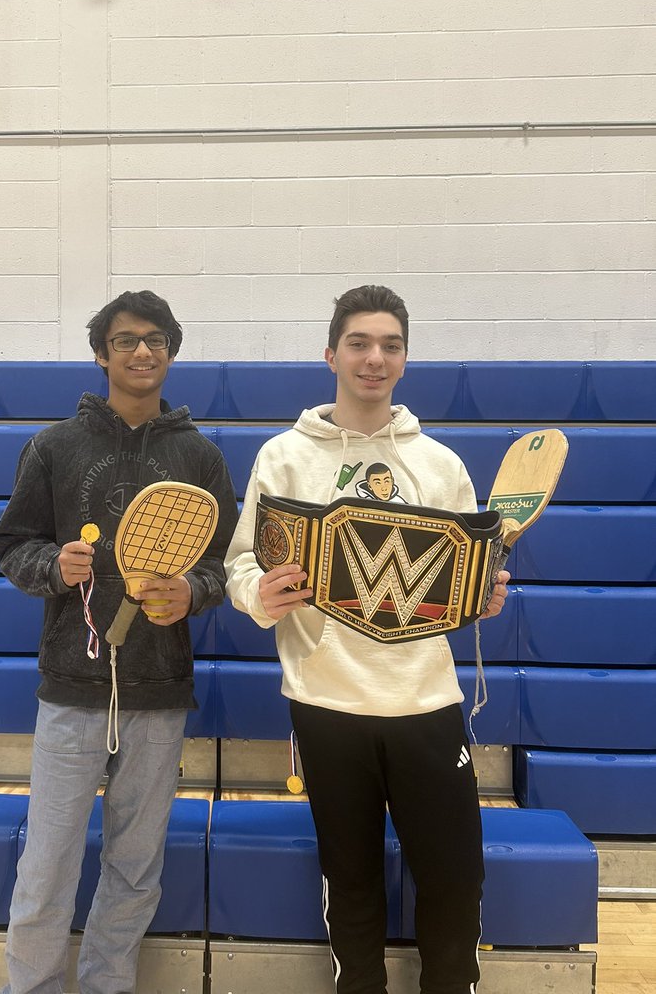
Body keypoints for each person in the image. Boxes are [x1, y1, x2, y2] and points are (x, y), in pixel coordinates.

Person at [224, 284, 510, 994]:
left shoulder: (440, 464)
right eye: (359, 343)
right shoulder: (283, 458)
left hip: (426, 705)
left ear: (405, 360)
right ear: (331, 354)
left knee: (454, 879)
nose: (373, 358)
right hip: (326, 705)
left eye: (389, 345)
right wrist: (257, 597)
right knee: (349, 885)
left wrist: (482, 596)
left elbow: (462, 582)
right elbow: (241, 565)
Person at [0, 289, 238, 994]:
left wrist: (194, 591)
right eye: (127, 340)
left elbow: (227, 563)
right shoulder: (54, 446)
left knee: (135, 868)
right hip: (71, 691)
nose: (142, 351)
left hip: (160, 695)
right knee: (47, 864)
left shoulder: (199, 456)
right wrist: (52, 566)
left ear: (171, 353)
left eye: (156, 340)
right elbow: (14, 546)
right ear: (102, 354)